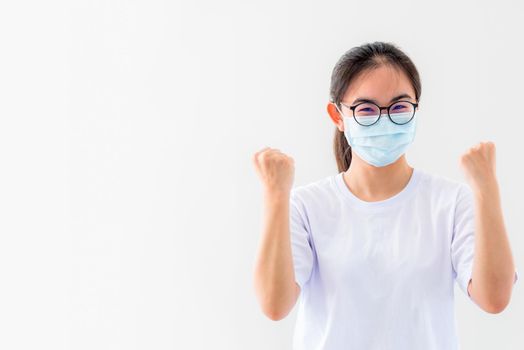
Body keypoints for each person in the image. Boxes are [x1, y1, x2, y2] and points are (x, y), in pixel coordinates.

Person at [252, 41, 519, 349]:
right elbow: (274, 305)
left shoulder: (450, 202)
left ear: (417, 108)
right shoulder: (307, 206)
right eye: (366, 109)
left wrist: (487, 189)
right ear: (337, 116)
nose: (384, 119)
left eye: (399, 106)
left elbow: (495, 299)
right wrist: (276, 195)